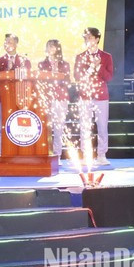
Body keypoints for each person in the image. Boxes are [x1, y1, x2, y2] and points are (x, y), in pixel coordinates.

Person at [74, 27, 114, 166]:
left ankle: (102, 155)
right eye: (85, 38)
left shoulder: (106, 56)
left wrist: (99, 67)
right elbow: (78, 77)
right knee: (85, 126)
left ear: (97, 39)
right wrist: (91, 67)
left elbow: (109, 77)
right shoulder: (80, 57)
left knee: (102, 126)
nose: (87, 40)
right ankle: (86, 155)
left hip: (101, 96)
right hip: (85, 96)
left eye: (90, 37)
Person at [0, 33, 31, 150]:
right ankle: (2, 152)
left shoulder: (24, 60)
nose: (7, 44)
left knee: (20, 125)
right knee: (3, 126)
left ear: (16, 44)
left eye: (9, 41)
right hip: (4, 98)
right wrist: (7, 70)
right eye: (5, 42)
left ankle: (20, 151)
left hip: (21, 98)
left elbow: (29, 78)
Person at [38, 40, 71, 165]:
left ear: (58, 48)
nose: (51, 49)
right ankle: (46, 154)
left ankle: (57, 155)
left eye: (53, 46)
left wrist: (58, 75)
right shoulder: (42, 64)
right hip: (47, 99)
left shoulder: (65, 65)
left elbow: (68, 81)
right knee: (46, 128)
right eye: (49, 46)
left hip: (61, 98)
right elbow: (40, 82)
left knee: (58, 128)